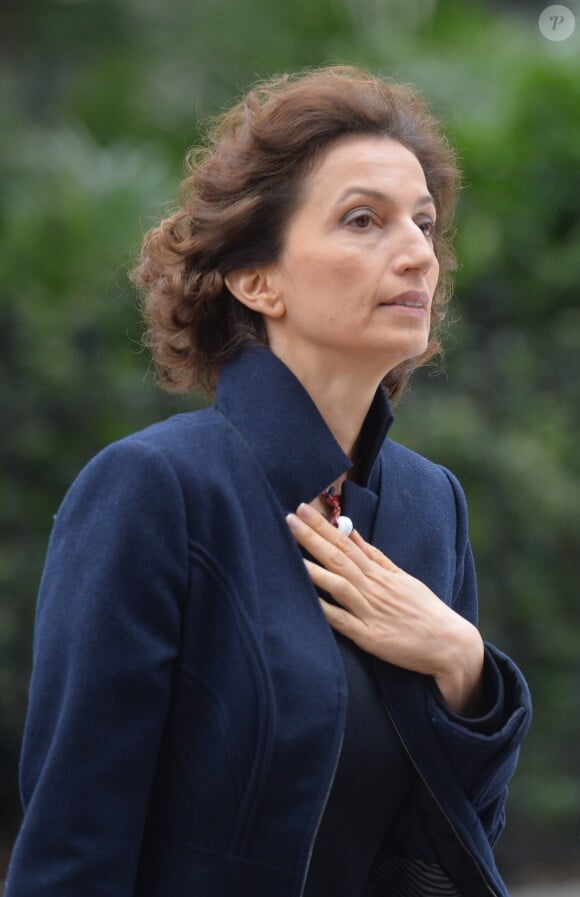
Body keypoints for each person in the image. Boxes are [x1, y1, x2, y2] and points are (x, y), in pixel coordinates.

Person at [5, 65, 531, 897]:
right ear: (256, 280)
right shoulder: (154, 491)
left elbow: (454, 841)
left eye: (424, 224)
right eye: (365, 219)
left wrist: (466, 666)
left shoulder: (432, 505)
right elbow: (74, 847)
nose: (417, 253)